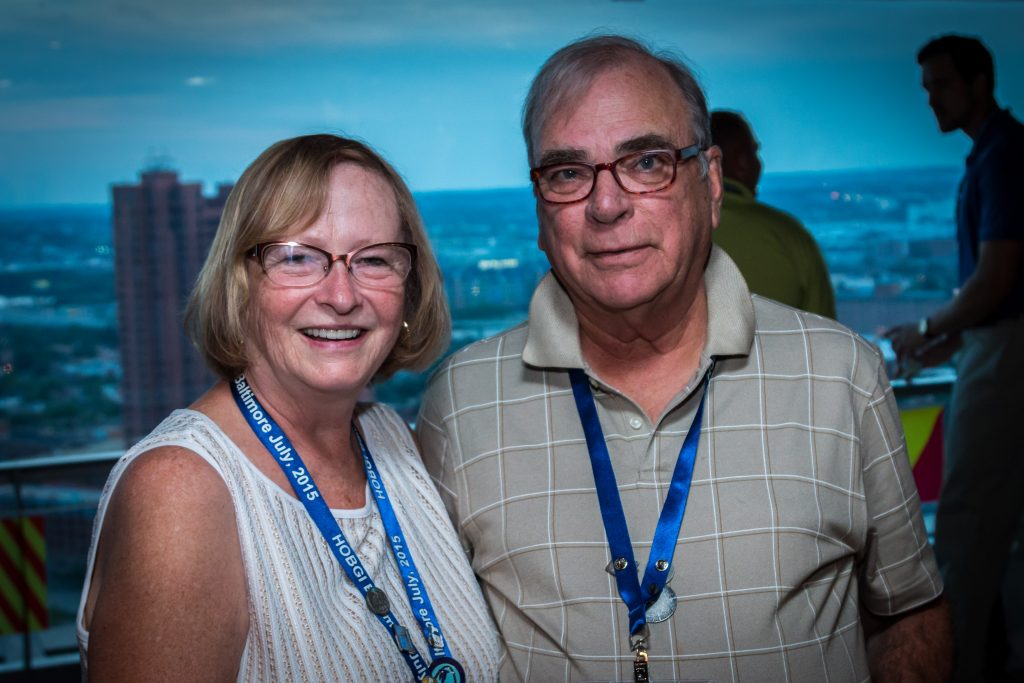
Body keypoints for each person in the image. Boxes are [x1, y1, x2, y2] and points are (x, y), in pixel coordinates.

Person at [418, 35, 950, 682]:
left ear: (712, 183)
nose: (606, 204)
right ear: (539, 208)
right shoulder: (461, 404)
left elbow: (909, 611)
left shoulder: (842, 375)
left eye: (647, 162)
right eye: (567, 173)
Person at [77, 134, 501, 681]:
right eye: (298, 258)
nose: (341, 296)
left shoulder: (390, 436)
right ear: (239, 284)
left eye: (374, 259)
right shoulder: (179, 492)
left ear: (409, 287)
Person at [886, 34, 1024, 682]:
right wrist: (948, 339)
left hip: (1004, 358)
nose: (931, 100)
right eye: (926, 88)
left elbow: (996, 282)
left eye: (941, 85)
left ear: (980, 82)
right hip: (995, 344)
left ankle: (951, 667)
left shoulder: (1003, 158)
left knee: (966, 521)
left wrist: (923, 328)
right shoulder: (997, 154)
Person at [710, 110, 836, 318]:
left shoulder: (681, 231)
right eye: (754, 152)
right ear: (742, 163)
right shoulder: (791, 236)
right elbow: (826, 330)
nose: (759, 164)